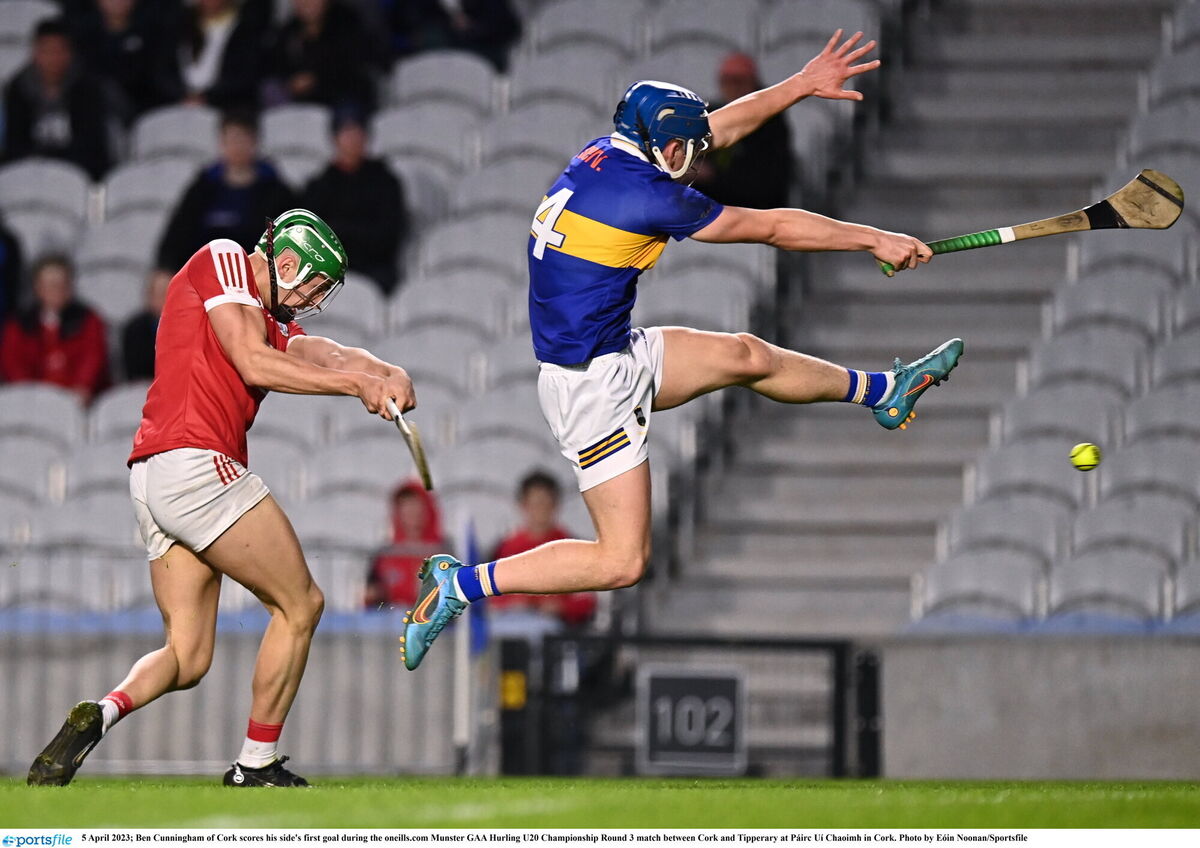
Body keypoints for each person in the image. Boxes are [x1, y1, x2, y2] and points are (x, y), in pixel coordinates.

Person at [398, 31, 962, 671]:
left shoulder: (605, 155)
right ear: (662, 149)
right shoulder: (652, 196)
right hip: (593, 389)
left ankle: (885, 393)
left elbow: (714, 129)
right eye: (686, 152)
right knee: (622, 561)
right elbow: (772, 226)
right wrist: (873, 238)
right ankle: (460, 586)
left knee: (746, 356)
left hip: (614, 353)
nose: (698, 160)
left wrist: (801, 85)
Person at [28, 209, 418, 788]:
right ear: (286, 262)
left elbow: (319, 354)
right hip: (197, 465)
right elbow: (254, 360)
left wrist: (387, 370)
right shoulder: (223, 259)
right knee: (301, 604)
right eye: (312, 284)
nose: (312, 299)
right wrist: (356, 385)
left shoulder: (260, 314)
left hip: (153, 476)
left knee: (187, 656)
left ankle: (99, 714)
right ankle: (254, 763)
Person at [156, 110, 295, 273]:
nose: (237, 147)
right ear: (221, 142)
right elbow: (178, 235)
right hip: (208, 274)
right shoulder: (203, 187)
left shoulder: (277, 191)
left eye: (242, 139)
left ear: (255, 142)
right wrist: (165, 267)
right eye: (231, 140)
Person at [301, 109, 407, 294]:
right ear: (335, 138)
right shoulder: (319, 186)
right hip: (328, 269)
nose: (352, 139)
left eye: (357, 132)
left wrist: (343, 231)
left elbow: (389, 235)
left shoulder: (386, 182)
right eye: (346, 132)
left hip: (374, 268)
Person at [2, 17, 115, 180]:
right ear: (35, 53)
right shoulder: (18, 87)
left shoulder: (87, 86)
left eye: (59, 50)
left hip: (79, 170)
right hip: (29, 169)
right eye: (47, 50)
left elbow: (92, 144)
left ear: (70, 53)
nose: (53, 58)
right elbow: (15, 144)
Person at [486, 470, 595, 632]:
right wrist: (513, 602)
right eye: (535, 504)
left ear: (556, 505)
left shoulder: (572, 547)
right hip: (509, 625)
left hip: (556, 630)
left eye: (546, 504)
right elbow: (486, 597)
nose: (540, 511)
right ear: (523, 505)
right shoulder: (505, 548)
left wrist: (561, 608)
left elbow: (586, 601)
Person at [0, 255, 110, 403]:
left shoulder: (89, 320)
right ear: (38, 288)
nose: (57, 291)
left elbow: (93, 360)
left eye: (62, 285)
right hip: (31, 400)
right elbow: (12, 363)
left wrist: (81, 389)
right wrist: (28, 395)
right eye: (51, 285)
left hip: (78, 401)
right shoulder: (19, 324)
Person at [692, 52, 794, 210]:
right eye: (726, 81)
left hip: (755, 212)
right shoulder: (712, 114)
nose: (732, 87)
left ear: (752, 82)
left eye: (738, 81)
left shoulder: (769, 123)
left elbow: (765, 182)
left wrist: (712, 176)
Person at [268, 0, 380, 114]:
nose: (306, 3)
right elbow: (277, 65)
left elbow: (352, 66)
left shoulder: (347, 21)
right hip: (302, 101)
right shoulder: (289, 31)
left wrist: (315, 79)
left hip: (344, 96)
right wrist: (291, 81)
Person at [160, 0, 270, 111]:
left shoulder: (246, 27)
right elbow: (162, 67)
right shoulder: (180, 23)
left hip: (226, 105)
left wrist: (208, 97)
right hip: (178, 102)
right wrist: (182, 94)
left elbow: (246, 73)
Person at [364, 481, 445, 609]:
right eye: (405, 506)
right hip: (392, 623)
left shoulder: (444, 551)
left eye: (417, 505)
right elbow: (370, 595)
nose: (411, 512)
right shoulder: (385, 554)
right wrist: (378, 594)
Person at [120, 269, 172, 381]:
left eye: (169, 293)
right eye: (160, 294)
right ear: (148, 297)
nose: (164, 299)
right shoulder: (134, 329)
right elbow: (134, 372)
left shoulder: (192, 326)